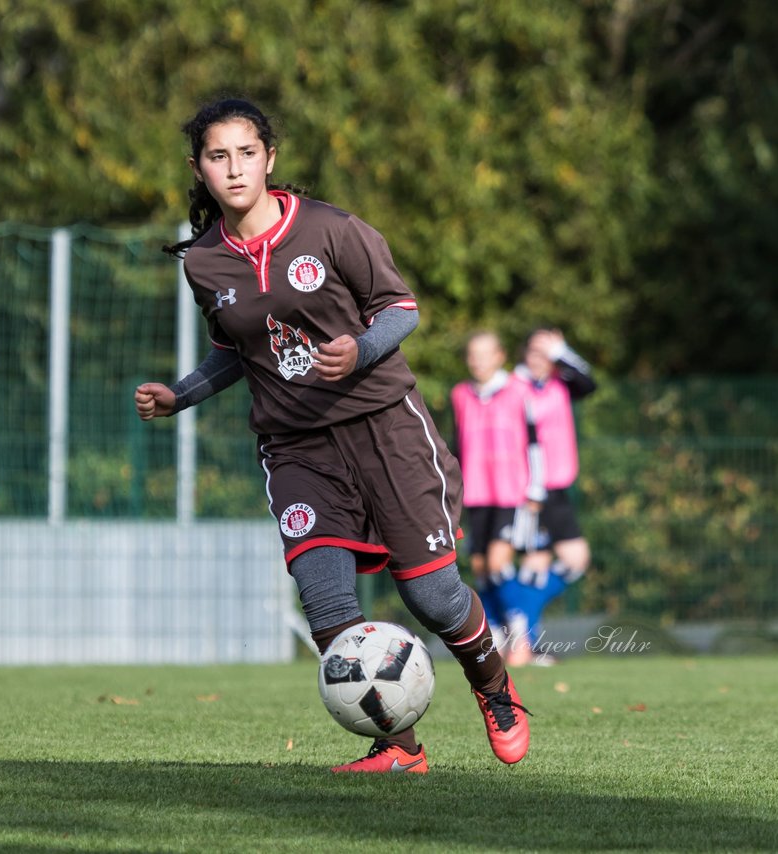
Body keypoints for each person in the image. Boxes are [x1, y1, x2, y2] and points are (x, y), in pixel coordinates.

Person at [134, 97, 530, 773]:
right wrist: (182, 394)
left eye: (246, 153)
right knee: (325, 603)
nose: (234, 169)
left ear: (270, 159)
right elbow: (237, 351)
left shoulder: (331, 229)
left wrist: (360, 350)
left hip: (384, 428)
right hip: (296, 448)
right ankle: (399, 745)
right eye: (217, 156)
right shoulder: (203, 262)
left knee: (432, 596)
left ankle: (495, 686)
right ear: (198, 169)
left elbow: (400, 312)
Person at [504, 328, 596, 662]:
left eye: (549, 354)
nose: (542, 360)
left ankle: (519, 623)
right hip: (530, 489)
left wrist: (564, 351)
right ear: (524, 353)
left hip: (558, 488)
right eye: (536, 352)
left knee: (573, 561)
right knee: (535, 562)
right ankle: (527, 642)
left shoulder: (561, 382)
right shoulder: (514, 386)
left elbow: (590, 383)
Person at [449, 331, 542, 659]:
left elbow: (534, 442)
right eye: (473, 355)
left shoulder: (518, 392)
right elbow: (458, 446)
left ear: (500, 356)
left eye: (485, 354)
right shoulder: (461, 394)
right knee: (480, 567)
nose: (478, 361)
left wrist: (536, 487)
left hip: (510, 493)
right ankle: (498, 635)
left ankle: (522, 631)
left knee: (499, 562)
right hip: (476, 493)